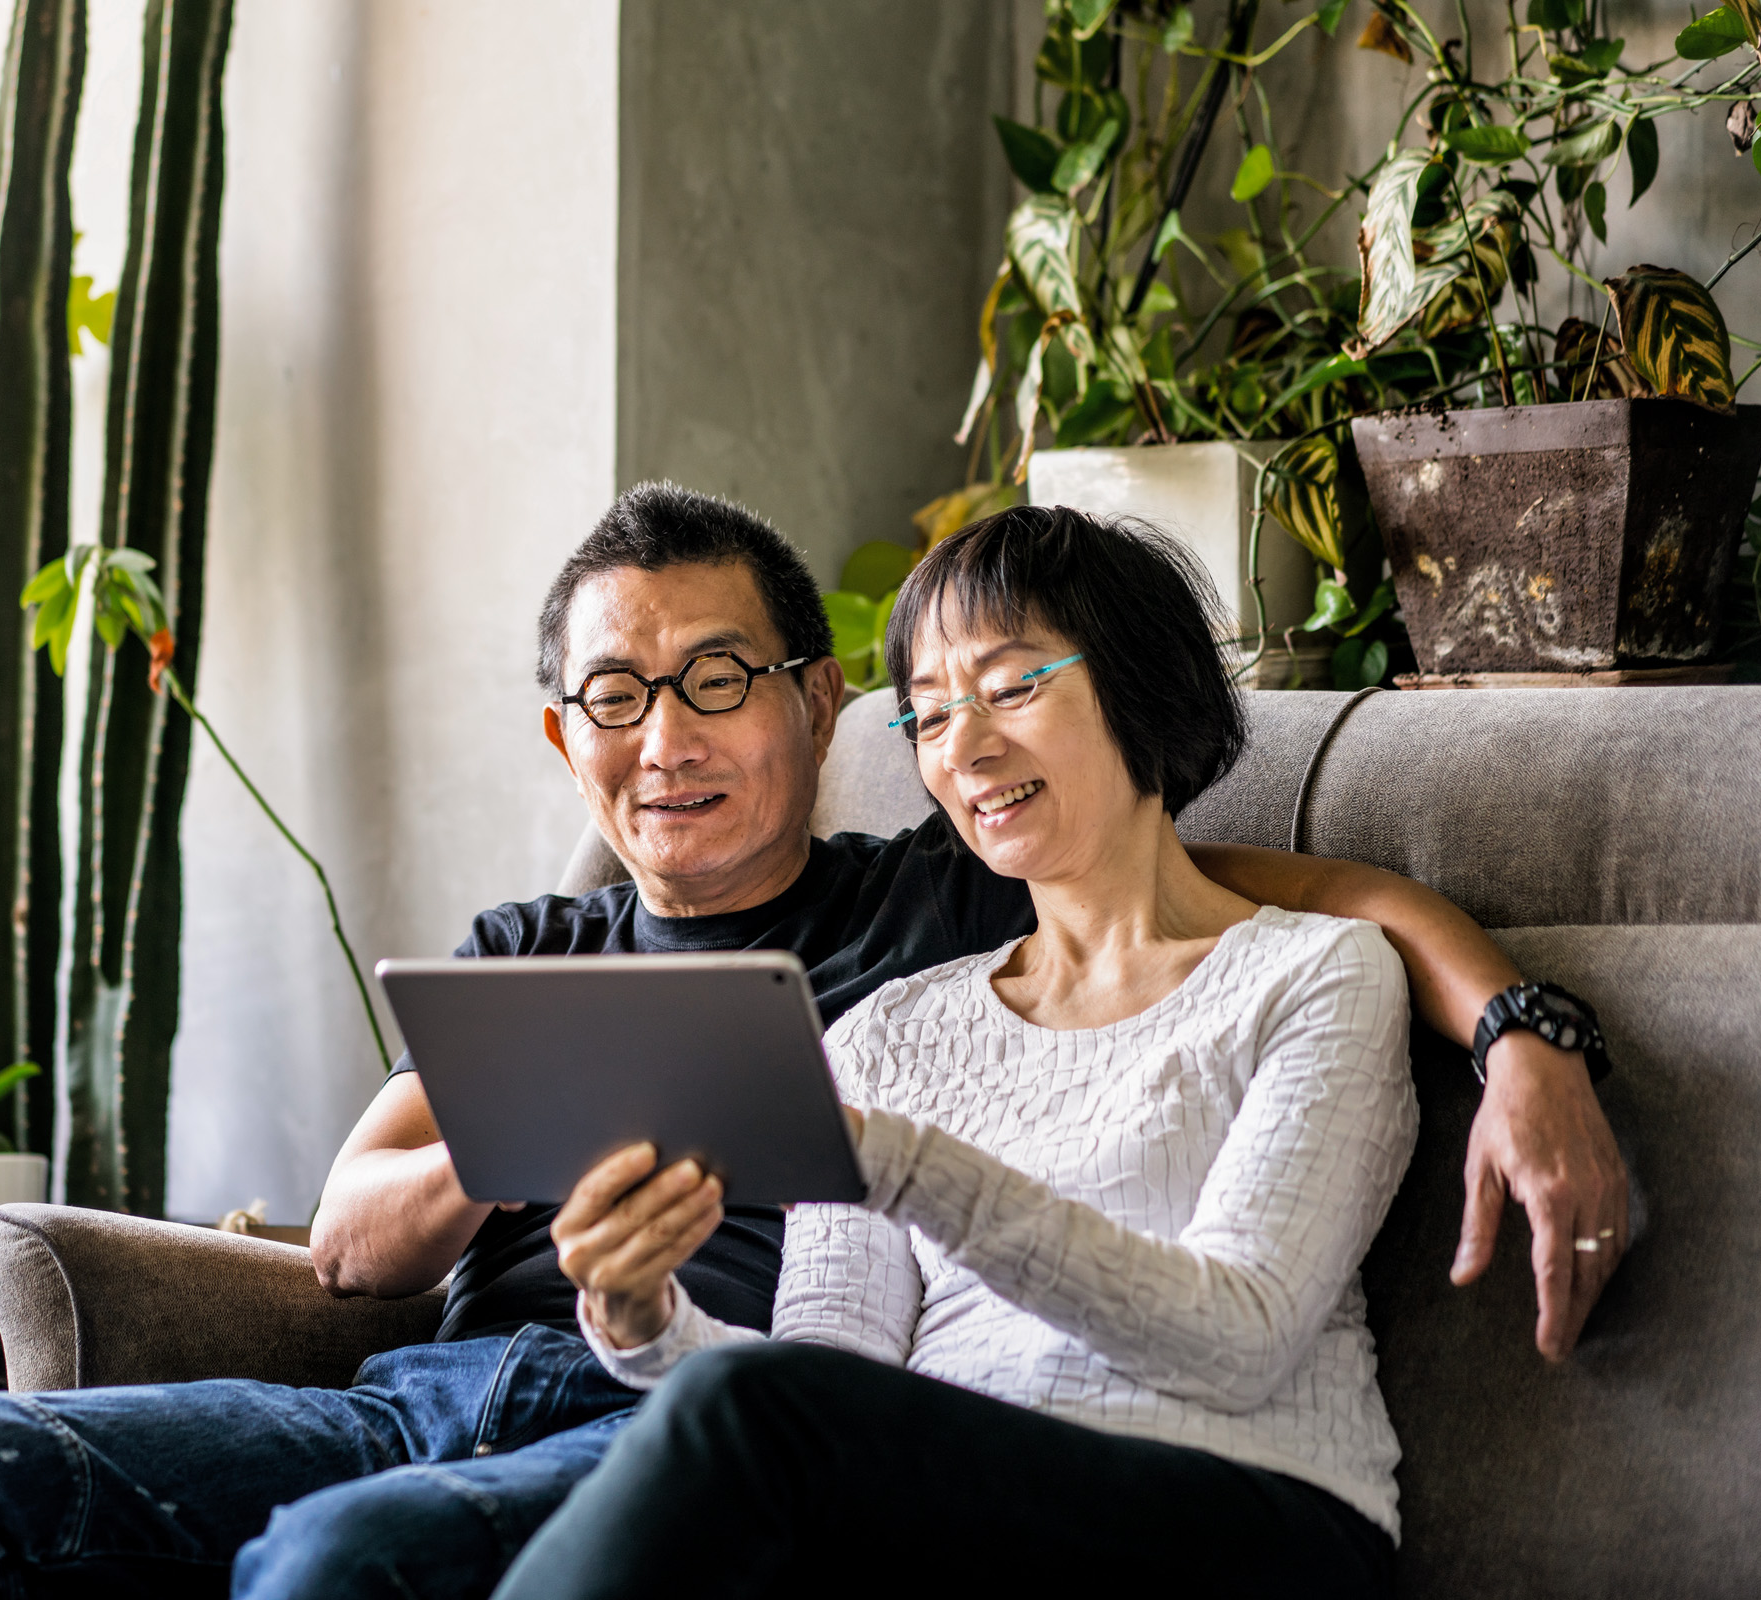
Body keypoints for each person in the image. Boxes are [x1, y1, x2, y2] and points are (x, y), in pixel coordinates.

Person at [0, 484, 1625, 1600]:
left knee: (355, 1558)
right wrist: (609, 1223)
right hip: (491, 1388)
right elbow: (362, 1249)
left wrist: (1526, 1031)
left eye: (719, 681)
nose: (665, 736)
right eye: (616, 694)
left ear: (813, 710)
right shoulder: (628, 969)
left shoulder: (941, 908)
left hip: (765, 1449)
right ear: (566, 738)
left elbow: (1268, 896)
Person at [499, 506, 1418, 1598]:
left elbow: (1240, 1338)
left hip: (1246, 1514)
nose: (965, 747)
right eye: (930, 715)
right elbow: (826, 1373)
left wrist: (901, 1163)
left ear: (1140, 682)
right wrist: (642, 1321)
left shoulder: (1315, 975)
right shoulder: (884, 1034)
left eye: (1011, 688)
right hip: (949, 1516)